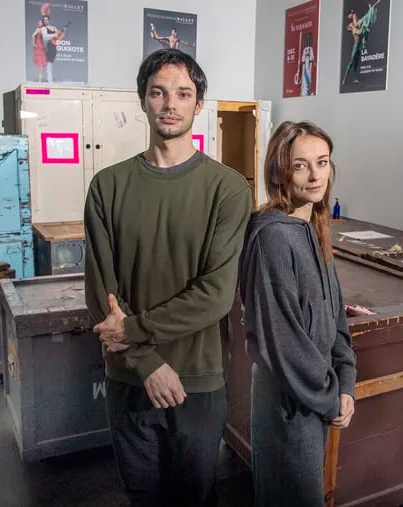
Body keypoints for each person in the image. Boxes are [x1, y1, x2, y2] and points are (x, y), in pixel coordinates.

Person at [84, 49, 252, 507]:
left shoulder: (229, 189)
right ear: (143, 101)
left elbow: (215, 295)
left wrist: (134, 333)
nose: (170, 103)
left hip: (197, 380)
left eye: (183, 93)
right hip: (128, 380)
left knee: (195, 496)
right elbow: (102, 293)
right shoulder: (107, 186)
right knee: (143, 496)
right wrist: (146, 362)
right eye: (158, 92)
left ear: (199, 105)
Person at [237, 121, 358, 506]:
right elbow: (283, 339)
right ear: (280, 172)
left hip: (316, 392)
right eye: (301, 165)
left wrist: (347, 380)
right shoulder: (273, 236)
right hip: (290, 400)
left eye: (322, 163)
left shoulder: (314, 225)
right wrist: (329, 397)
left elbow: (335, 314)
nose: (315, 175)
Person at [342, 0, 382, 85]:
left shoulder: (355, 22)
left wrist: (371, 8)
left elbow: (362, 20)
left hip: (359, 45)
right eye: (350, 25)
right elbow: (359, 31)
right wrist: (361, 26)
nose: (351, 24)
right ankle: (345, 78)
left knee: (356, 62)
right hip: (356, 45)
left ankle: (354, 78)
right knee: (351, 62)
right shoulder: (353, 29)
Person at [40, 15, 60, 82]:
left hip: (54, 47)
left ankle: (50, 78)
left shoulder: (54, 28)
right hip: (48, 47)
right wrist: (54, 35)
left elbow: (59, 35)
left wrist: (59, 34)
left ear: (49, 20)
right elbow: (45, 37)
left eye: (46, 19)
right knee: (49, 63)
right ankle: (49, 78)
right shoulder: (43, 28)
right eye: (44, 20)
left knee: (51, 62)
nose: (45, 21)